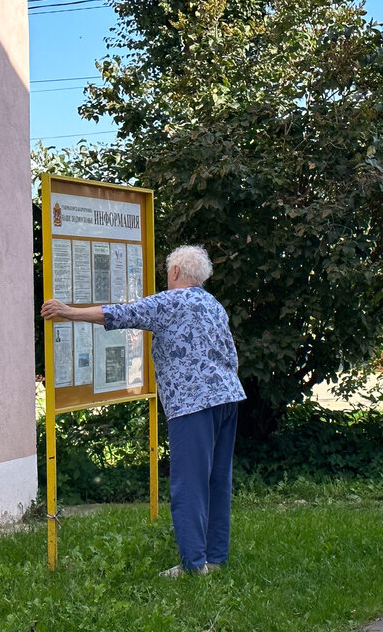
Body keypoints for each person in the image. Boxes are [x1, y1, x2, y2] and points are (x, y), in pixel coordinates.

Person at [40, 245, 246, 577]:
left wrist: (69, 312)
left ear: (176, 271)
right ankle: (216, 558)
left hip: (191, 403)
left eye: (168, 271)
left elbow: (120, 313)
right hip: (227, 398)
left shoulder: (170, 301)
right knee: (217, 479)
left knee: (189, 484)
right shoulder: (213, 305)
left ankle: (194, 565)